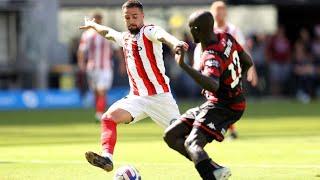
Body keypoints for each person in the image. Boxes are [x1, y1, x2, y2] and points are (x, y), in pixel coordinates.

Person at [79, 0, 188, 172]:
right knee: (108, 118)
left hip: (160, 98)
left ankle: (210, 166)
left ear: (142, 16)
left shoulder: (149, 31)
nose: (131, 20)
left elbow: (163, 35)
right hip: (137, 98)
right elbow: (108, 32)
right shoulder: (125, 37)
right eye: (127, 17)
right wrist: (93, 25)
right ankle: (107, 158)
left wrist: (176, 43)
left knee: (184, 141)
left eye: (135, 16)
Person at [164, 11, 254, 180]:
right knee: (171, 135)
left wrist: (183, 65)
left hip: (224, 106)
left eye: (191, 28)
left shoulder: (211, 55)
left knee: (192, 144)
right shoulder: (227, 38)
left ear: (197, 30)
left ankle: (211, 176)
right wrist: (235, 83)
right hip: (222, 102)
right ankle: (215, 168)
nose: (190, 32)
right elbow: (247, 61)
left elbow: (213, 84)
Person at [193, 0, 257, 139]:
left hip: (231, 71)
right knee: (218, 100)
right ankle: (218, 127)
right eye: (217, 12)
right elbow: (200, 50)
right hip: (214, 71)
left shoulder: (233, 30)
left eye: (222, 12)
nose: (220, 15)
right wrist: (198, 69)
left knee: (227, 100)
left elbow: (243, 51)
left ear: (226, 13)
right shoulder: (208, 30)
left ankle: (218, 127)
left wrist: (252, 70)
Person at [78, 13, 115, 120]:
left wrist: (123, 62)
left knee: (102, 90)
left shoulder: (107, 32)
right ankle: (98, 111)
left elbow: (116, 49)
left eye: (99, 19)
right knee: (95, 91)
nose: (98, 21)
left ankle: (100, 113)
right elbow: (81, 51)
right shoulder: (87, 34)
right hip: (92, 67)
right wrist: (81, 63)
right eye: (96, 19)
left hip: (106, 67)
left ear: (101, 20)